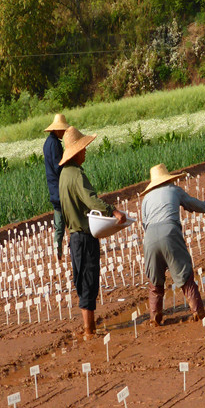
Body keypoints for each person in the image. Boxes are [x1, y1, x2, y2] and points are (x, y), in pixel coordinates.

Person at [58, 126, 125, 340]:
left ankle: (88, 325)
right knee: (88, 279)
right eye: (84, 148)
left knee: (80, 279)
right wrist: (112, 210)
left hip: (73, 238)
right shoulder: (77, 174)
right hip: (85, 236)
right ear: (76, 152)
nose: (85, 151)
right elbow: (91, 200)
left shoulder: (63, 176)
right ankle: (89, 329)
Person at [141, 164, 205, 325]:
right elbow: (192, 204)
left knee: (155, 282)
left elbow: (145, 224)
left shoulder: (146, 198)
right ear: (167, 179)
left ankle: (155, 317)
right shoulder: (173, 190)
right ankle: (198, 312)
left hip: (149, 238)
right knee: (185, 277)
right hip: (170, 231)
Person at [43, 114, 70, 261]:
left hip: (54, 189)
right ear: (57, 130)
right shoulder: (53, 144)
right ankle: (61, 249)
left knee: (59, 222)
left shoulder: (49, 142)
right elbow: (57, 167)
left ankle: (57, 249)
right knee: (67, 219)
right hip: (59, 189)